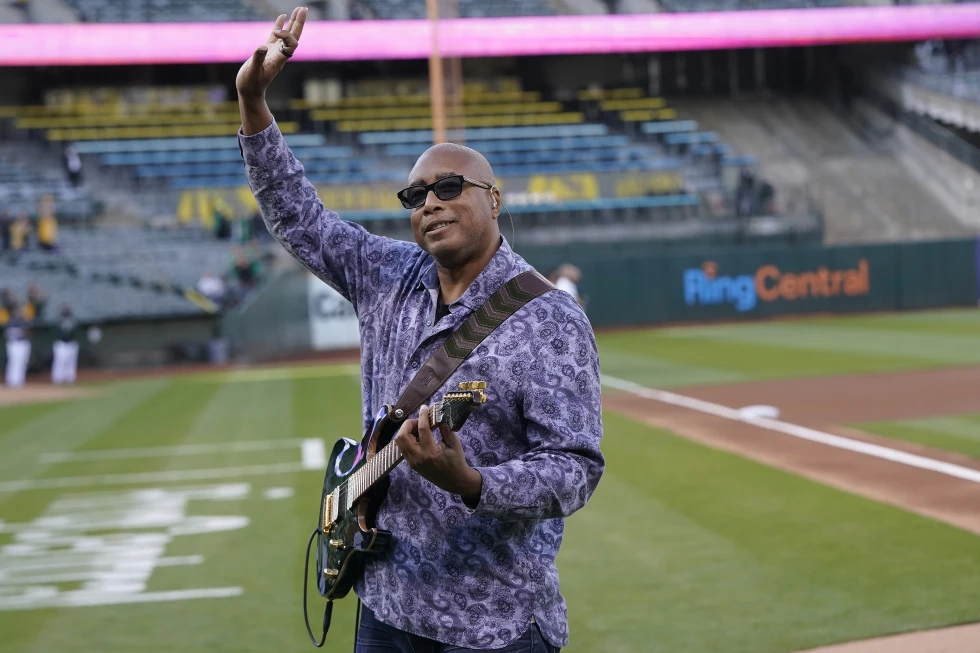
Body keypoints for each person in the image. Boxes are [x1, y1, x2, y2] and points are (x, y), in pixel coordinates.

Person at [236, 8, 603, 653]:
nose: (430, 202)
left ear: (495, 197)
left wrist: (474, 483)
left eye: (449, 187)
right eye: (415, 196)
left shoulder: (550, 317)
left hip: (494, 621)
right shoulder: (388, 275)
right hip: (385, 603)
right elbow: (300, 218)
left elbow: (574, 469)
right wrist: (253, 102)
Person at [51, 305, 80, 385]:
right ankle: (58, 379)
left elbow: (76, 331)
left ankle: (70, 379)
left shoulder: (73, 320)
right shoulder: (58, 320)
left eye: (67, 309)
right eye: (64, 309)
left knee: (71, 362)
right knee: (60, 361)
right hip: (61, 343)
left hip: (71, 343)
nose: (66, 311)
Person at [4, 304, 31, 388]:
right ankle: (11, 380)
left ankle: (20, 380)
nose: (18, 312)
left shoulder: (23, 321)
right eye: (16, 311)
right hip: (14, 344)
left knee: (22, 362)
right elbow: (7, 334)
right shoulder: (10, 321)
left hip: (22, 343)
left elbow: (27, 332)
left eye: (19, 311)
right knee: (13, 362)